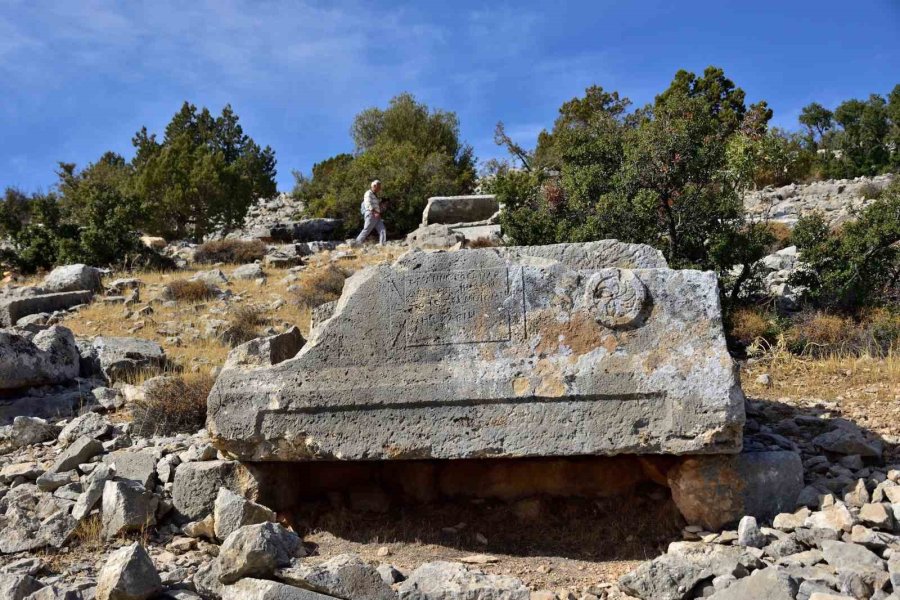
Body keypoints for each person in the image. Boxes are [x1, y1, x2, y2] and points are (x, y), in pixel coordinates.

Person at [355, 180, 387, 246]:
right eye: (379, 187)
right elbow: (368, 204)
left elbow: (376, 205)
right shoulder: (368, 193)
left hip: (377, 215)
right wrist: (374, 212)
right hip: (371, 214)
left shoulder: (374, 195)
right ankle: (356, 243)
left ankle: (382, 245)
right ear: (374, 186)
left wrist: (381, 206)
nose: (380, 189)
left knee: (382, 230)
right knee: (366, 230)